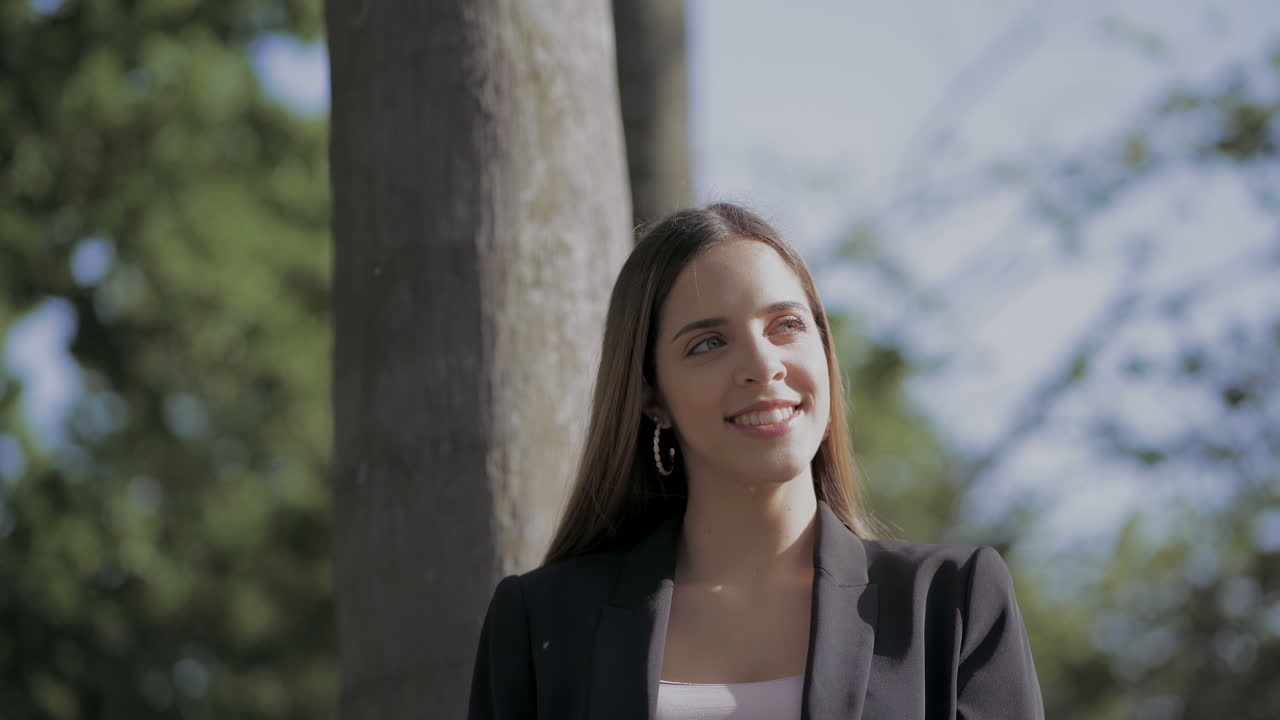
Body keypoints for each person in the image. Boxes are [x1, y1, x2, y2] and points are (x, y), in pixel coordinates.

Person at [468, 202, 1044, 719]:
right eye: (708, 343)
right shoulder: (541, 625)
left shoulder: (952, 604)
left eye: (786, 326)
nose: (762, 363)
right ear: (651, 396)